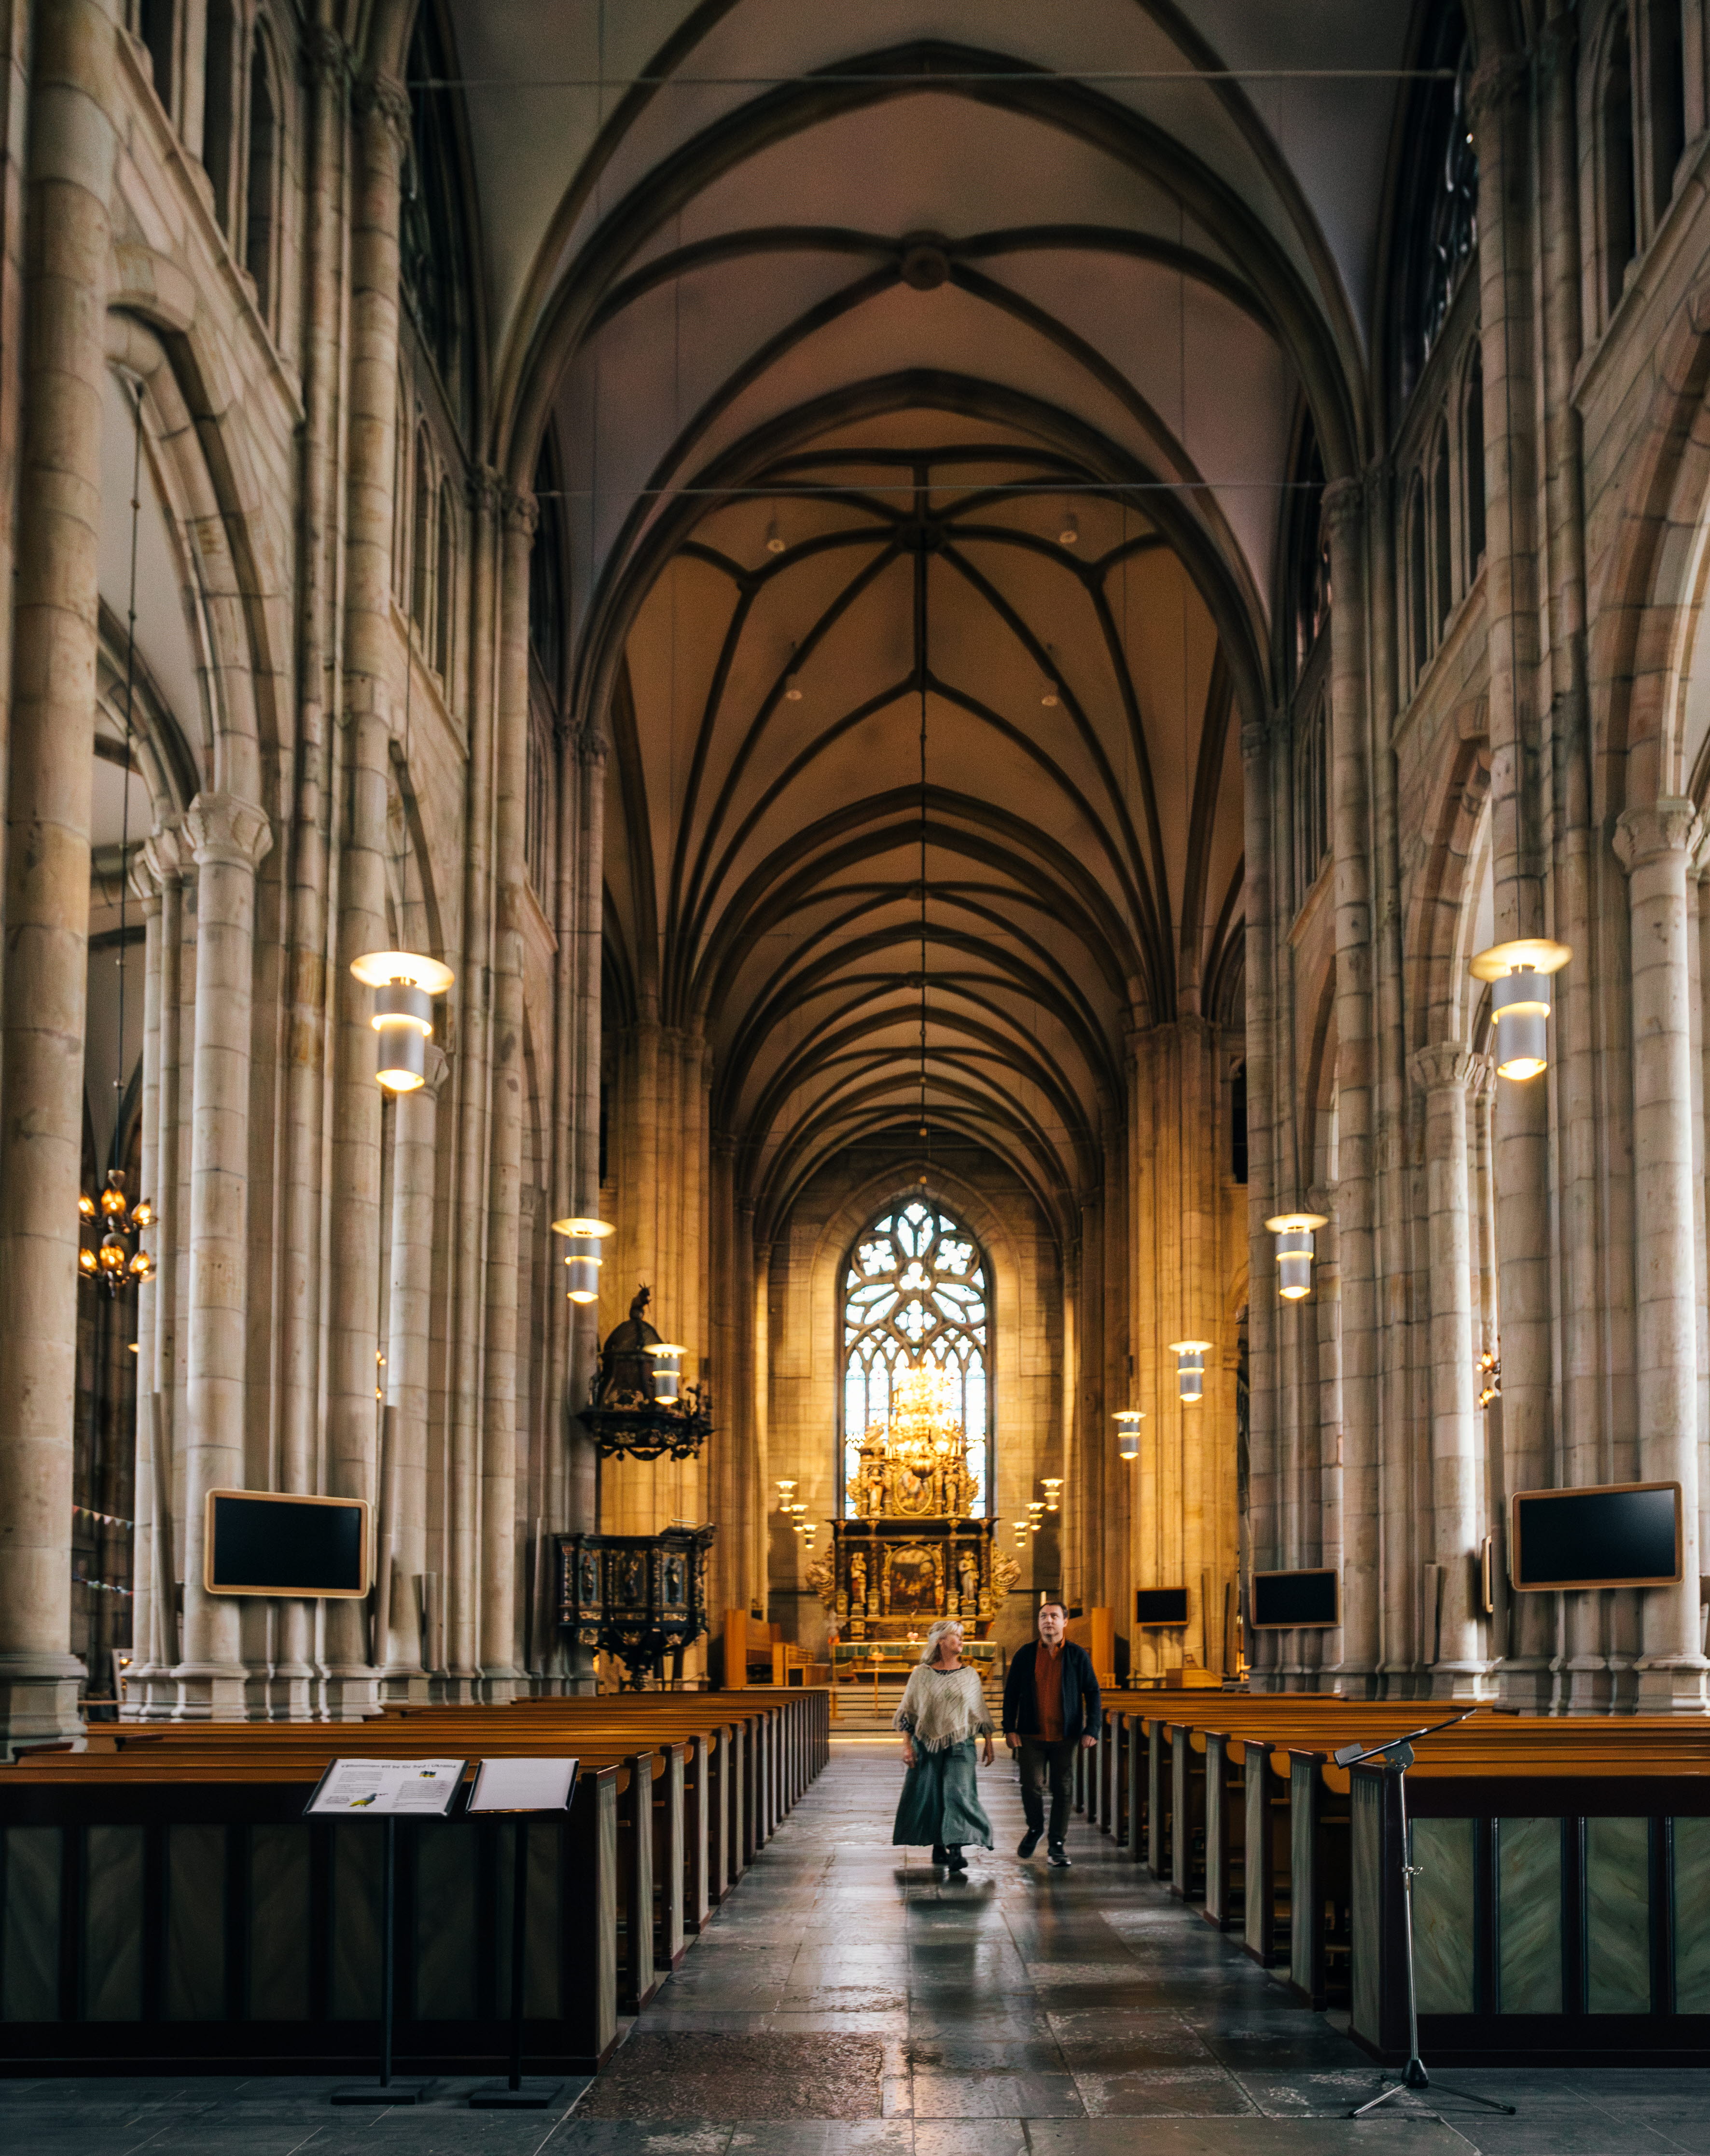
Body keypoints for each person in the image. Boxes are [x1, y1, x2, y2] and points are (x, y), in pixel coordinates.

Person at [1001, 1599, 1100, 1867]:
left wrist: (1092, 1728)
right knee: (1031, 1786)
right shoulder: (1025, 1654)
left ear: (1065, 1622)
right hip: (1031, 1735)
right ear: (1038, 1622)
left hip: (1065, 1735)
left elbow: (1092, 1692)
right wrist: (1009, 1728)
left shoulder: (1077, 1655)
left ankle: (1057, 1843)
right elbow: (1010, 1695)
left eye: (1054, 1616)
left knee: (1063, 1788)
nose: (1048, 1621)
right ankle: (1035, 1829)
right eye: (1043, 1616)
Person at [891, 1618, 995, 1872]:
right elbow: (909, 1713)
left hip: (962, 1744)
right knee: (932, 1795)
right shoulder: (921, 1674)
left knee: (958, 1793)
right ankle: (939, 1844)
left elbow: (979, 1712)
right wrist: (907, 1746)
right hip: (926, 1744)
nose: (961, 1640)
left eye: (961, 1636)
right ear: (940, 1641)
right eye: (956, 1636)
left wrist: (989, 1743)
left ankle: (956, 1849)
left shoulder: (969, 1674)